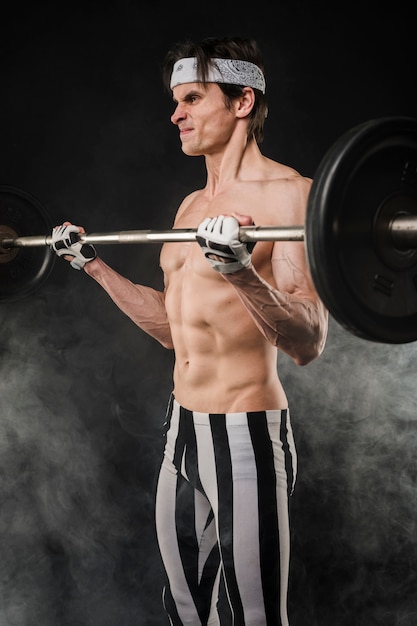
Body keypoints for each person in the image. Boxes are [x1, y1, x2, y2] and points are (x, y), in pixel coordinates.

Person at [50, 36, 328, 626]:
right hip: (182, 433)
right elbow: (175, 329)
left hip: (246, 436)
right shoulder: (190, 206)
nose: (175, 114)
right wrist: (92, 265)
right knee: (183, 610)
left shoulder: (289, 196)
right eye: (175, 100)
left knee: (254, 617)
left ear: (242, 102)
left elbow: (309, 340)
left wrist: (238, 272)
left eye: (193, 98)